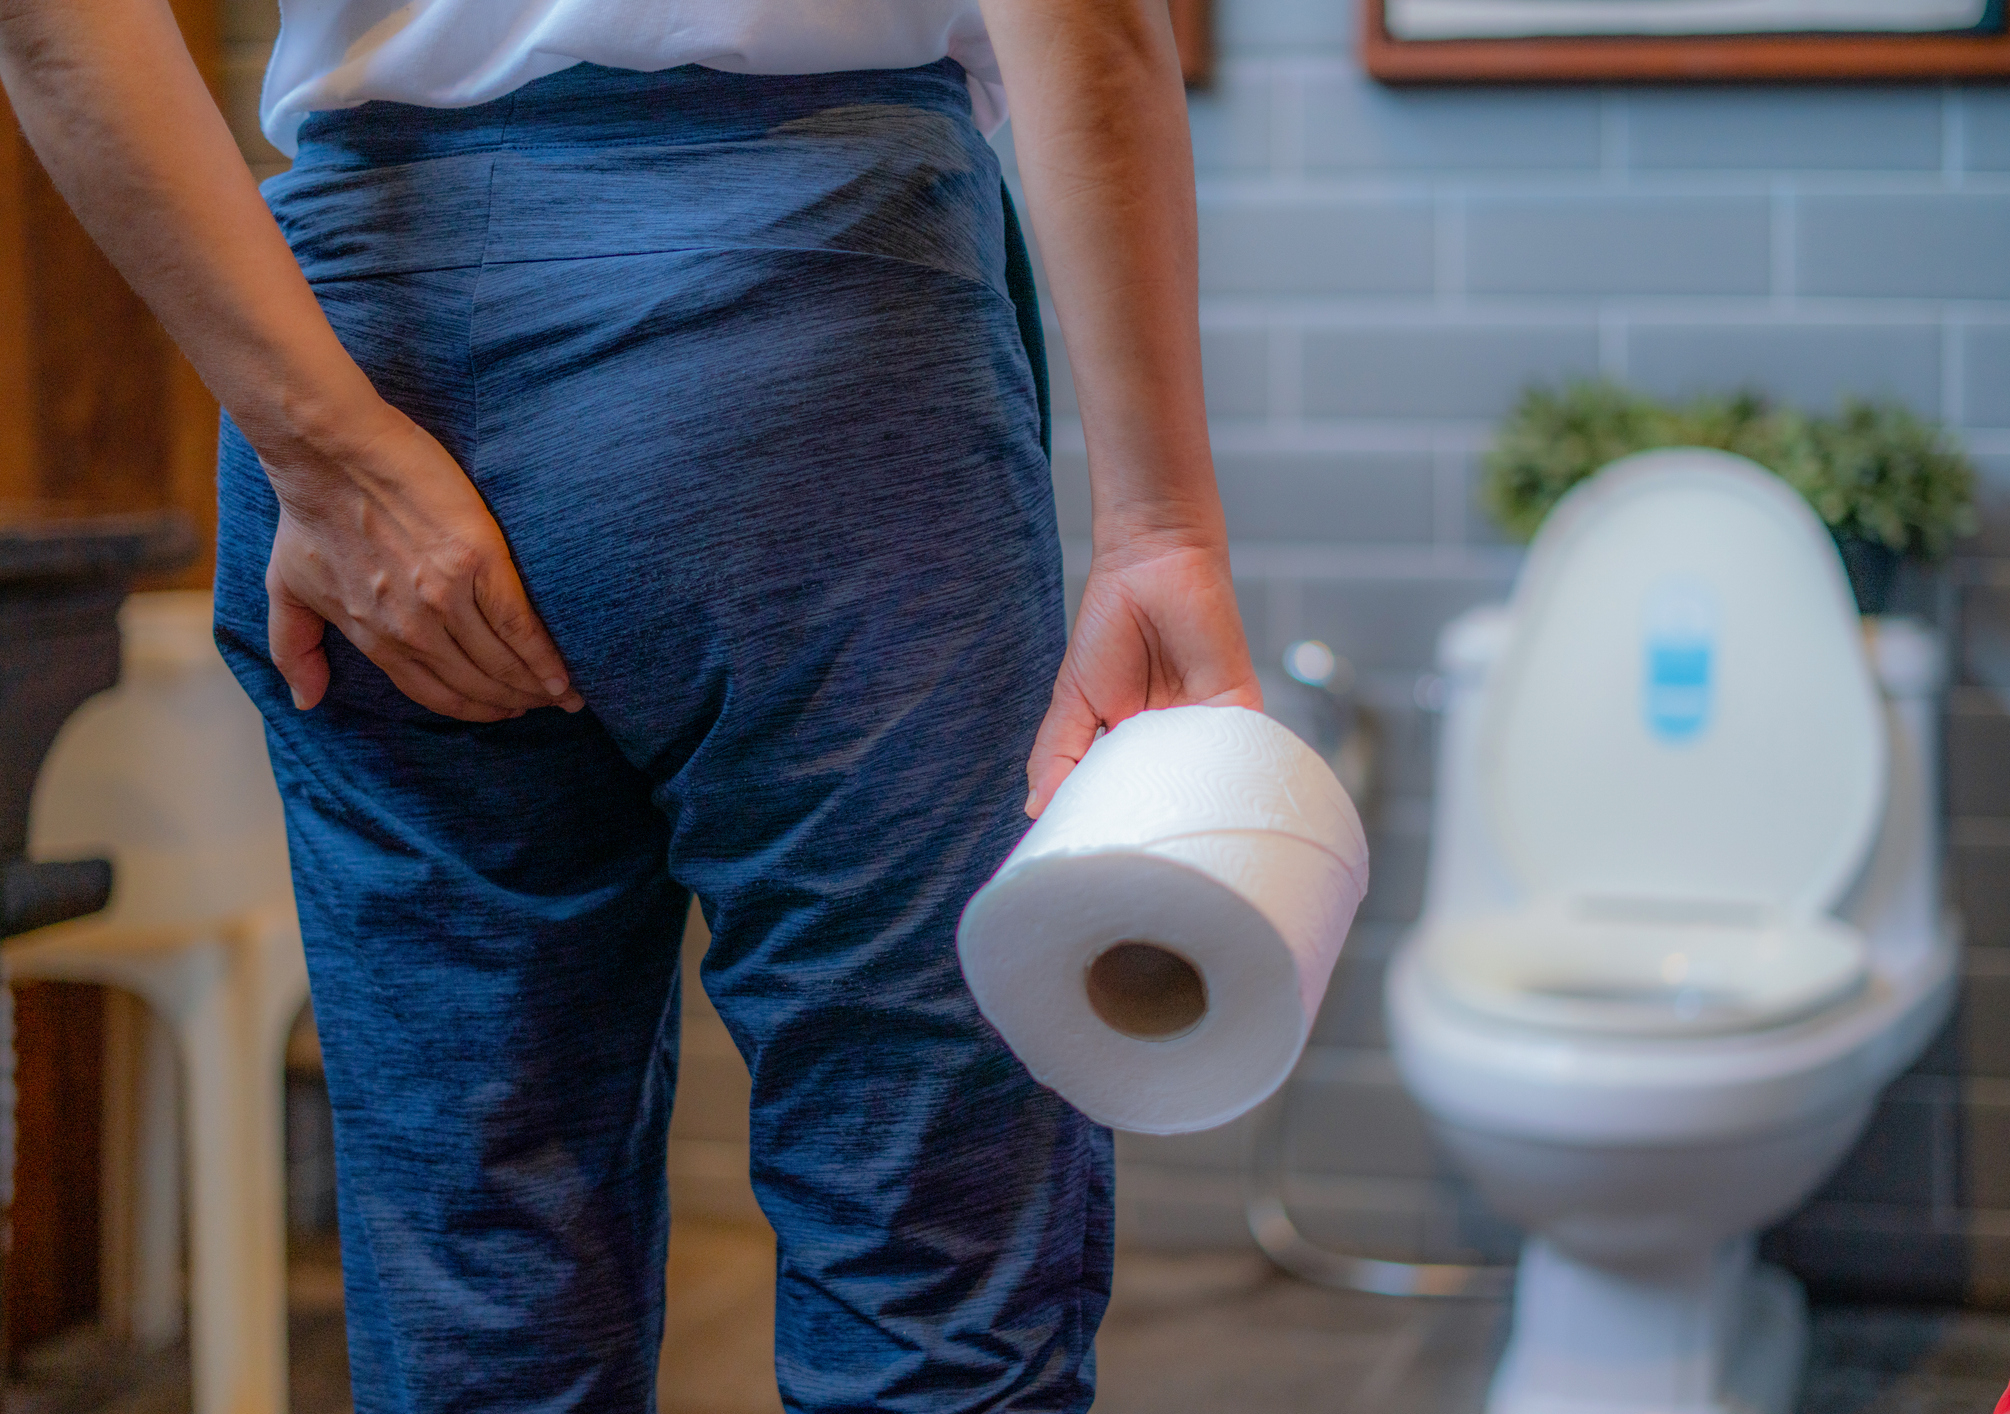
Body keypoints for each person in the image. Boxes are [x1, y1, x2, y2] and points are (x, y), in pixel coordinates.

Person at [0, 0, 1258, 1409]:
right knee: (928, 1253)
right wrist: (1158, 530)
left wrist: (321, 447)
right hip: (817, 330)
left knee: (482, 1289)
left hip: (362, 331)